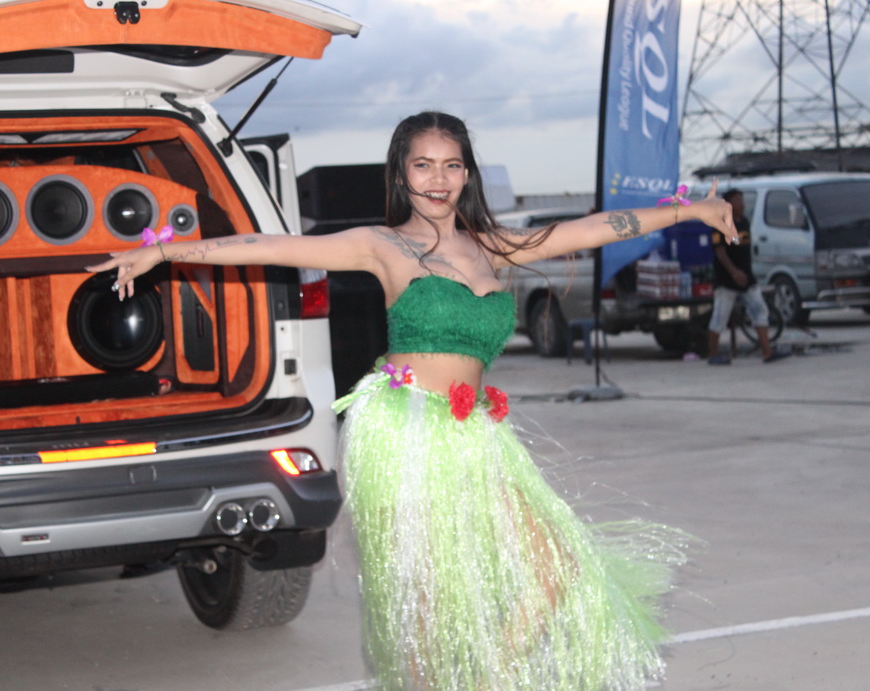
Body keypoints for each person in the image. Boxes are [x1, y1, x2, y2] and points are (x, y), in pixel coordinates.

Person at [88, 111, 737, 690]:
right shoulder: (383, 245)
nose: (437, 179)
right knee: (425, 597)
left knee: (552, 566)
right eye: (423, 164)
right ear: (401, 173)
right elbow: (272, 245)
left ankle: (482, 680)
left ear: (467, 174)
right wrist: (167, 251)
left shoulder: (493, 245)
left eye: (451, 165)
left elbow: (592, 228)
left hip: (473, 431)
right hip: (406, 431)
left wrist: (690, 211)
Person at [706, 188, 788, 365]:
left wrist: (745, 273)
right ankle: (713, 354)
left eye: (742, 200)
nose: (741, 204)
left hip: (747, 279)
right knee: (720, 317)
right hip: (727, 280)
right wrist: (734, 272)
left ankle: (767, 351)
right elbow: (720, 252)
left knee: (760, 311)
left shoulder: (744, 222)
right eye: (737, 200)